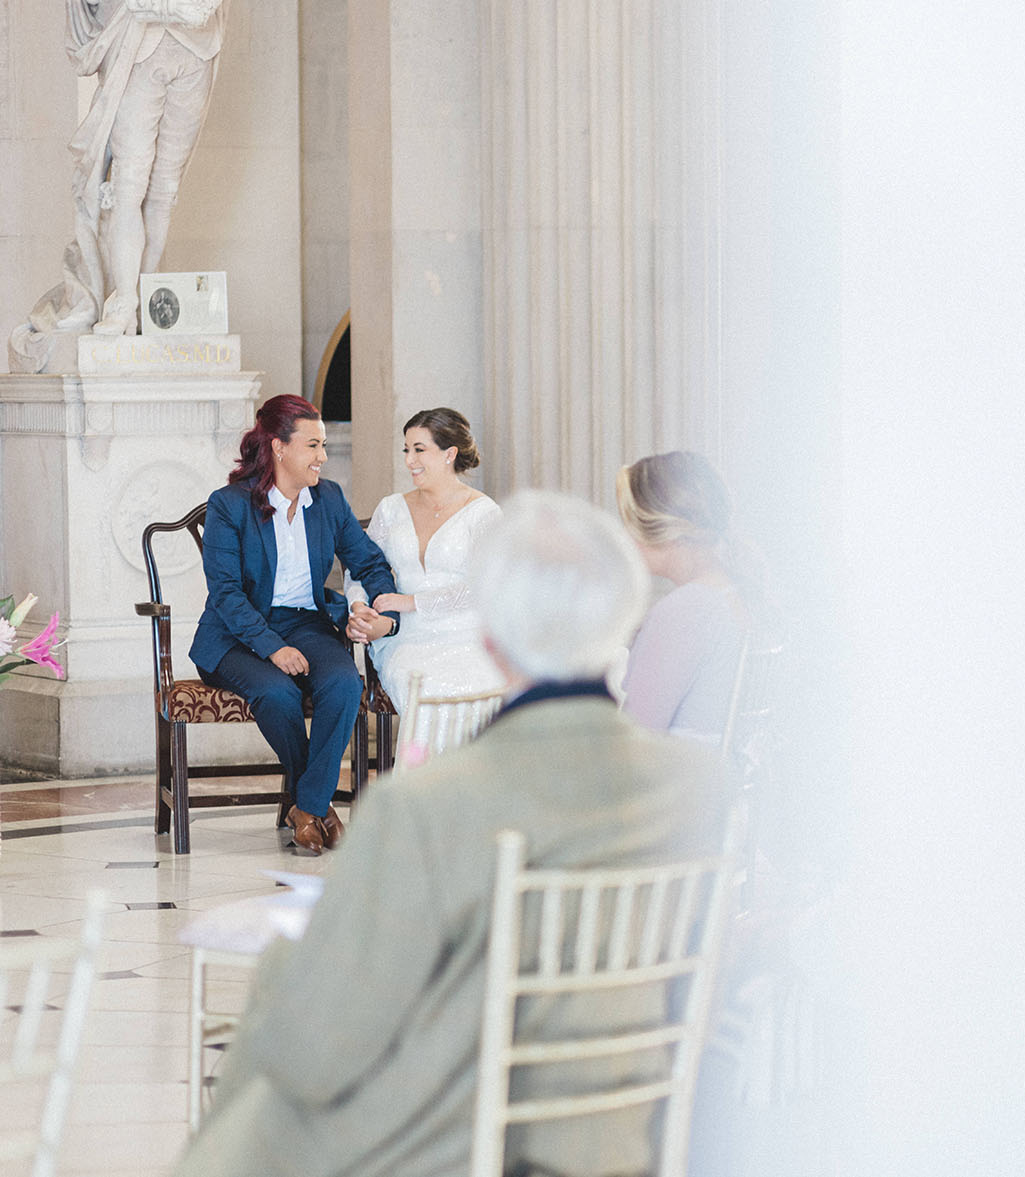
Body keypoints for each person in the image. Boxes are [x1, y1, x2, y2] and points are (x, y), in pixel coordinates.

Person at [172, 490, 727, 1177]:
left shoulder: (428, 806)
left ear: (490, 636)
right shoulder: (699, 786)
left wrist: (290, 962)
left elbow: (316, 1046)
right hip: (616, 1128)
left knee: (264, 1103)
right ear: (622, 617)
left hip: (462, 1145)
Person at [190, 394, 399, 856]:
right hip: (234, 632)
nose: (323, 457)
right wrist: (271, 647)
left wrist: (383, 611)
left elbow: (368, 561)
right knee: (278, 692)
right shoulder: (229, 505)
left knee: (345, 684)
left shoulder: (328, 499)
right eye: (313, 445)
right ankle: (318, 805)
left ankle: (305, 805)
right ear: (278, 447)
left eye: (323, 445)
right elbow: (226, 594)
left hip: (306, 621)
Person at [9, 0, 232, 363]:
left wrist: (178, 1)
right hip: (138, 47)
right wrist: (160, 3)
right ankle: (124, 298)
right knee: (129, 183)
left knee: (164, 191)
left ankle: (146, 300)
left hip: (196, 52)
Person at [343, 407, 504, 716]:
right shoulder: (390, 509)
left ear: (450, 453)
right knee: (424, 687)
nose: (409, 461)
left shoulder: (484, 513)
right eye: (407, 450)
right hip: (404, 638)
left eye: (419, 450)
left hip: (467, 637)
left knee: (482, 691)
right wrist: (359, 607)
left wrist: (410, 601)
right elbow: (359, 569)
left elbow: (485, 587)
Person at [614, 451, 755, 743]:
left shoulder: (689, 609)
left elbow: (634, 736)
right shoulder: (726, 591)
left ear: (659, 528)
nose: (623, 539)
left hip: (674, 782)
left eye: (627, 524)